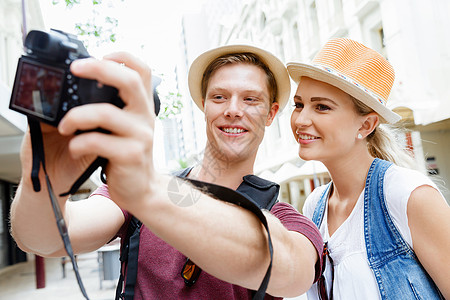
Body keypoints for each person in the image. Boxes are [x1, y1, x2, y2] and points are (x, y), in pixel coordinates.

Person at [10, 44, 323, 299]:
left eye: (250, 99)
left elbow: (291, 270)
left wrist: (147, 191)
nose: (233, 109)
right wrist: (42, 175)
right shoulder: (136, 190)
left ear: (271, 113)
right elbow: (43, 240)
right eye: (219, 96)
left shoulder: (287, 219)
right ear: (204, 105)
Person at [286, 38, 450, 299]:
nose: (301, 119)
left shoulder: (408, 194)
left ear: (366, 125)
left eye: (322, 107)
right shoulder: (314, 206)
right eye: (298, 104)